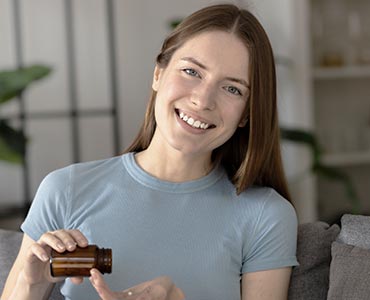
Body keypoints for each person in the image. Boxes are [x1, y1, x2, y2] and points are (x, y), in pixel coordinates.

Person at [1, 4, 299, 300]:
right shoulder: (64, 190)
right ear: (158, 74)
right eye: (191, 71)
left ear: (246, 114)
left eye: (232, 89)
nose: (203, 100)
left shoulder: (266, 217)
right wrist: (32, 285)